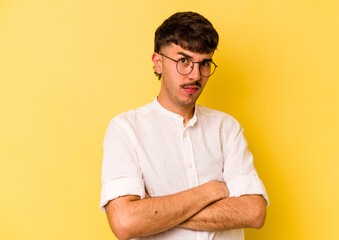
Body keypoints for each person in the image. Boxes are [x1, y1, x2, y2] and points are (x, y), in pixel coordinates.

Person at [100, 11, 269, 240]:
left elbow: (254, 212)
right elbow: (125, 222)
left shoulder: (227, 129)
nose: (195, 75)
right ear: (158, 63)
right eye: (183, 61)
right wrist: (212, 191)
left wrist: (153, 211)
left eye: (205, 63)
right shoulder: (125, 130)